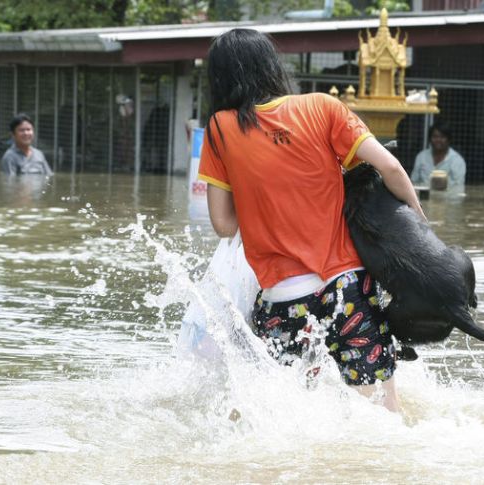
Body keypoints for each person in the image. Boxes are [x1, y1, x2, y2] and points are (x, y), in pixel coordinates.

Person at [197, 29, 427, 413]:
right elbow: (389, 166)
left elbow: (223, 225)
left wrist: (254, 186)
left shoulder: (220, 128)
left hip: (283, 301)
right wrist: (421, 229)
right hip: (348, 290)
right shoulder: (323, 107)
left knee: (290, 414)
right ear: (272, 66)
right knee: (382, 414)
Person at [410, 122, 466, 189]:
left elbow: (459, 186)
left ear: (449, 139)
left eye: (442, 137)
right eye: (435, 137)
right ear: (430, 139)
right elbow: (413, 182)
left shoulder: (457, 160)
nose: (438, 140)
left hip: (448, 198)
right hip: (424, 197)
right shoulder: (421, 157)